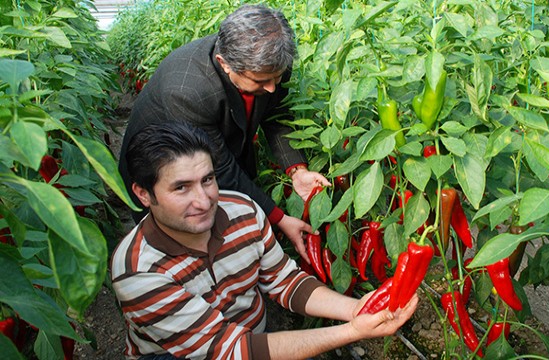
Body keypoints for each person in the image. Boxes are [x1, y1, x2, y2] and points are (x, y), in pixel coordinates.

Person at [112, 122, 417, 360]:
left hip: (253, 339)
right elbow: (229, 351)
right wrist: (352, 331)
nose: (204, 201)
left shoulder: (241, 210)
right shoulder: (138, 272)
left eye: (207, 180)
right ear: (143, 194)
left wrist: (356, 310)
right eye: (181, 188)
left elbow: (284, 282)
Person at [117, 4, 331, 263]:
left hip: (212, 154)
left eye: (277, 77)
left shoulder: (272, 64)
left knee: (226, 243)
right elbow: (221, 168)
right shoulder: (188, 89)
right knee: (177, 248)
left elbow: (276, 114)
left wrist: (297, 170)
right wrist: (279, 218)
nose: (273, 87)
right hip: (160, 172)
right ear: (225, 64)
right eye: (261, 81)